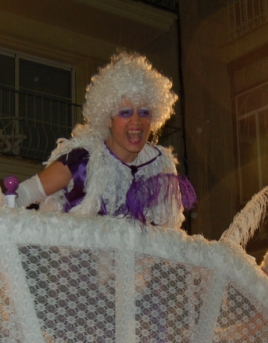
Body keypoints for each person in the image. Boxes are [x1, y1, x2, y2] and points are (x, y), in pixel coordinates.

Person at [13, 51, 195, 228]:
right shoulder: (82, 161)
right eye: (125, 112)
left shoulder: (160, 166)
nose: (136, 121)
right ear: (109, 118)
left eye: (144, 112)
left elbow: (167, 235)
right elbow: (22, 194)